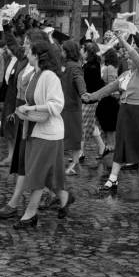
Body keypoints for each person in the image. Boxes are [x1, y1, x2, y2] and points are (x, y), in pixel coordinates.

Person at [85, 33, 139, 191]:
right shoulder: (126, 74)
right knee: (121, 144)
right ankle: (112, 179)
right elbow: (109, 88)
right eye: (128, 59)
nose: (128, 60)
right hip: (124, 112)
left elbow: (134, 55)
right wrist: (91, 97)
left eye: (131, 59)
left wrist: (122, 40)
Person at [12, 40, 73, 228]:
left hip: (48, 133)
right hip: (34, 130)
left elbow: (57, 105)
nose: (26, 54)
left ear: (37, 55)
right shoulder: (36, 74)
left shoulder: (49, 76)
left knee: (37, 174)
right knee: (47, 175)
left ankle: (30, 214)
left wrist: (32, 108)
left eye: (29, 52)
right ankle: (65, 197)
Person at [60, 40, 86, 175]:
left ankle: (75, 163)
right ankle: (72, 163)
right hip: (65, 105)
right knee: (68, 136)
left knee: (74, 136)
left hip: (72, 106)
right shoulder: (65, 64)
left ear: (67, 52)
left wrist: (83, 93)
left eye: (63, 50)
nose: (61, 52)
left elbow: (79, 80)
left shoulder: (74, 66)